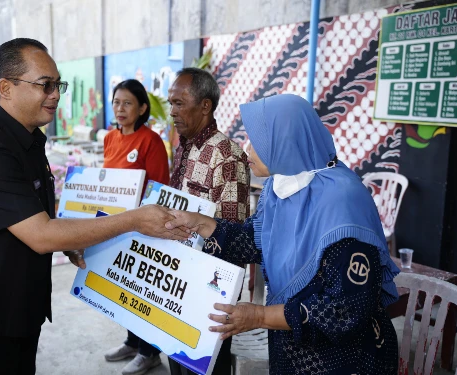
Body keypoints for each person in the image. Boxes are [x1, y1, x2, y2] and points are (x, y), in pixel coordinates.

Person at [0, 38, 187, 375]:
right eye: (45, 85)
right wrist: (135, 220)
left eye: (58, 84)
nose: (55, 94)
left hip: (18, 309)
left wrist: (70, 242)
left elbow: (36, 215)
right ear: (6, 88)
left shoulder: (28, 138)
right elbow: (41, 235)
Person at [166, 94, 400, 374]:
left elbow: (345, 310)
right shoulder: (281, 188)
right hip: (291, 349)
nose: (247, 150)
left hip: (343, 360)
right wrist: (200, 223)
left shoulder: (343, 203)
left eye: (258, 141)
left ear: (285, 140)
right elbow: (256, 240)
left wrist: (260, 315)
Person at [166, 67, 250, 375]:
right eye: (170, 103)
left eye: (179, 103)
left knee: (205, 366)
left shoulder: (227, 156)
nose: (172, 111)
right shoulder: (184, 147)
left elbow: (234, 237)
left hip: (207, 288)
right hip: (174, 277)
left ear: (205, 106)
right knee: (175, 357)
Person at [102, 79, 170, 375]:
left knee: (144, 291)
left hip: (143, 227)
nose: (120, 108)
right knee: (124, 287)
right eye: (117, 102)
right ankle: (132, 341)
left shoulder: (150, 141)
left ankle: (149, 352)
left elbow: (160, 188)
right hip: (116, 227)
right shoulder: (109, 138)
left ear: (142, 107)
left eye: (127, 103)